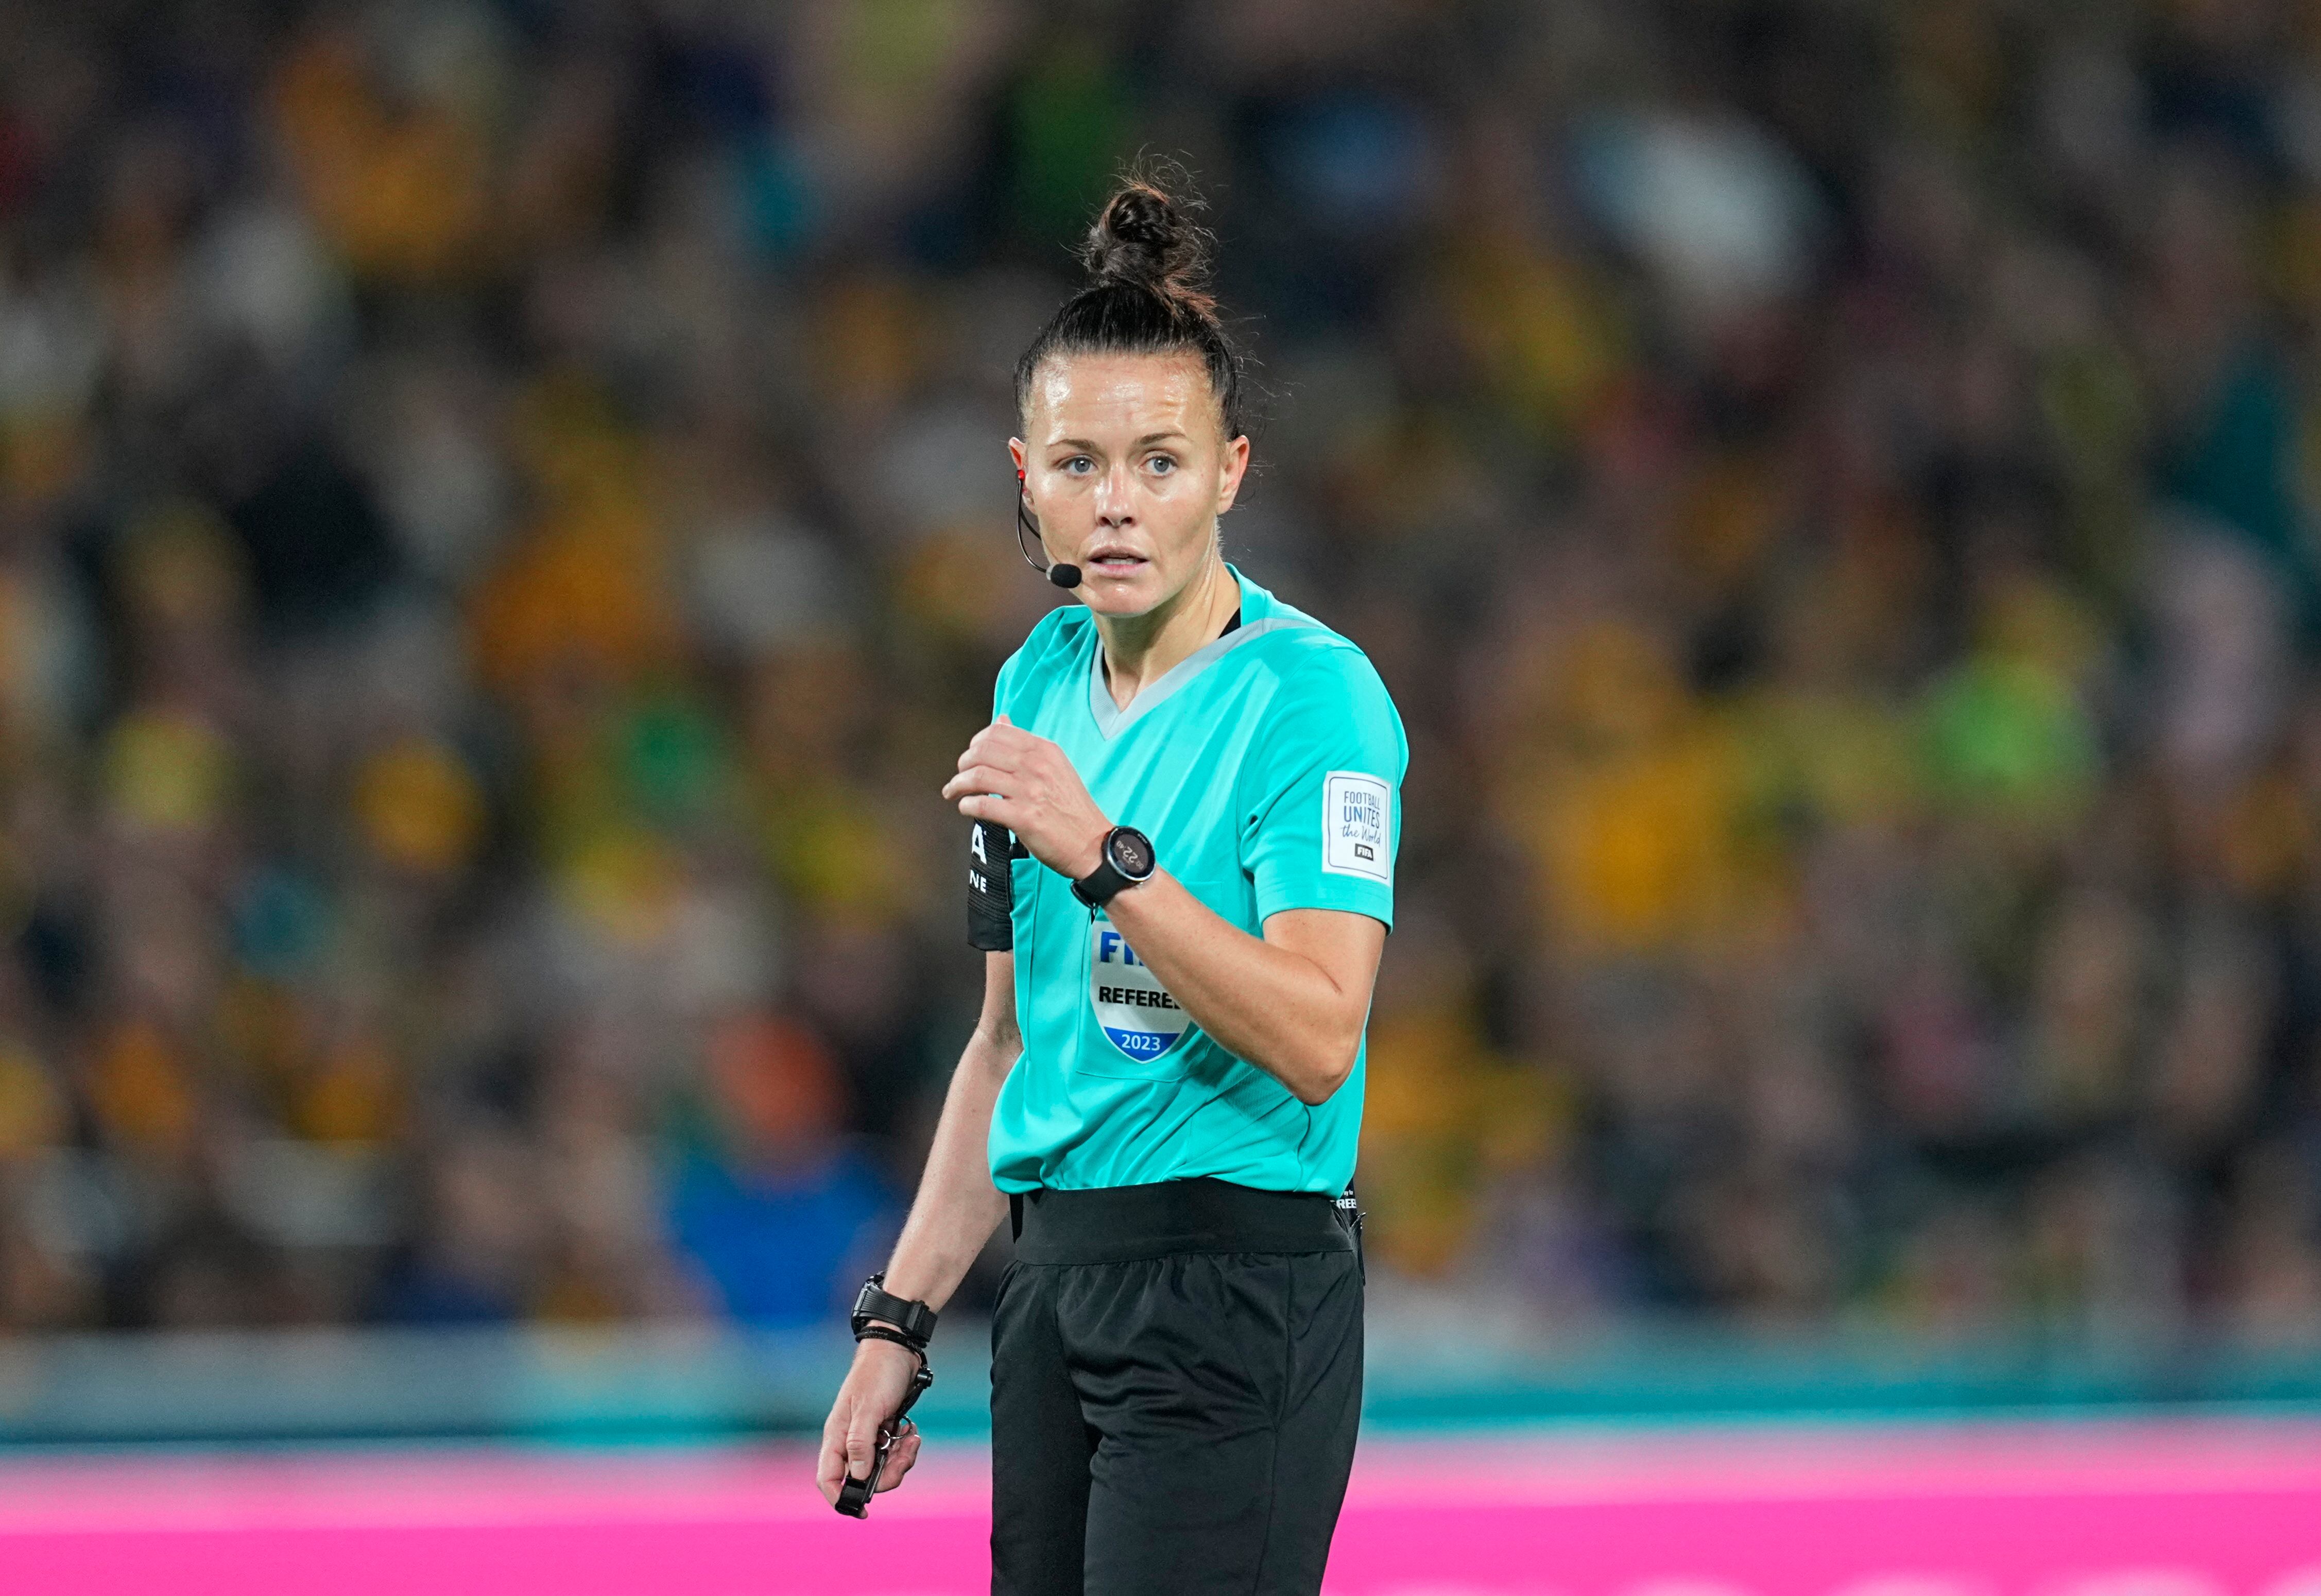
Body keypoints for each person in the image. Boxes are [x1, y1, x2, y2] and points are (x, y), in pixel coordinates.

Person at [815, 171, 1407, 1596]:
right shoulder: (1034, 682)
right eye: (1078, 462)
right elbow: (1005, 1044)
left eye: (1159, 459)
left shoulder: (1311, 700)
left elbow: (1321, 1034)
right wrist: (898, 1324)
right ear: (1025, 477)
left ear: (1230, 471)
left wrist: (1104, 856)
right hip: (1057, 1287)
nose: (1118, 501)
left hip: (1234, 1281)